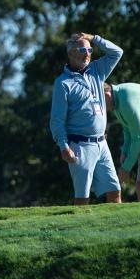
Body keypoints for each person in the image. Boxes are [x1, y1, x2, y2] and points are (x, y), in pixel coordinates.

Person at [49, 33, 124, 205]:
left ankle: (116, 230)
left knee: (115, 192)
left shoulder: (96, 71)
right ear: (71, 53)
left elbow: (117, 52)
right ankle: (76, 231)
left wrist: (95, 38)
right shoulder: (63, 83)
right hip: (79, 146)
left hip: (102, 145)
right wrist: (63, 146)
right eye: (82, 49)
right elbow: (57, 120)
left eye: (89, 49)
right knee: (82, 198)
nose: (88, 53)